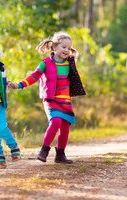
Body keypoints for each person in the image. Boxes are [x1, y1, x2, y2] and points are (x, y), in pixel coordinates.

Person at [8, 31, 85, 163]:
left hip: (65, 100)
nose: (67, 50)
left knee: (65, 127)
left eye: (69, 48)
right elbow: (34, 76)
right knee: (56, 122)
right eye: (63, 47)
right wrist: (19, 85)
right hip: (51, 99)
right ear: (54, 47)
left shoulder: (69, 63)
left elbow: (74, 79)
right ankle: (44, 150)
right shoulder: (46, 63)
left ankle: (60, 155)